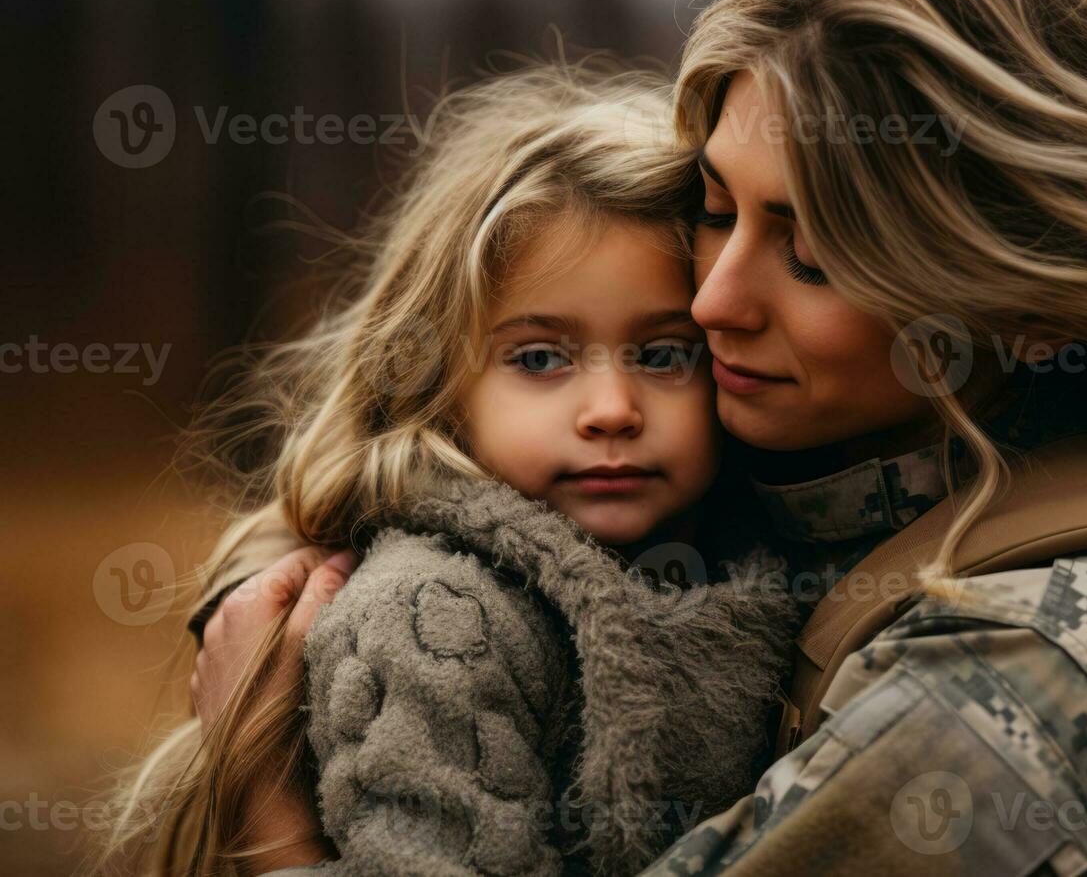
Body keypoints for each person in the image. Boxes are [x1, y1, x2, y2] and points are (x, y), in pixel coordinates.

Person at [131, 0, 1087, 874]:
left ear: (1009, 289)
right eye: (716, 212)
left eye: (814, 254)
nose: (711, 301)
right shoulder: (849, 498)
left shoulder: (1046, 665)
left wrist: (276, 828)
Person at [94, 62, 801, 876]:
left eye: (664, 353)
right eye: (539, 358)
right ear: (440, 392)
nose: (612, 407)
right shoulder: (431, 619)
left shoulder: (752, 551)